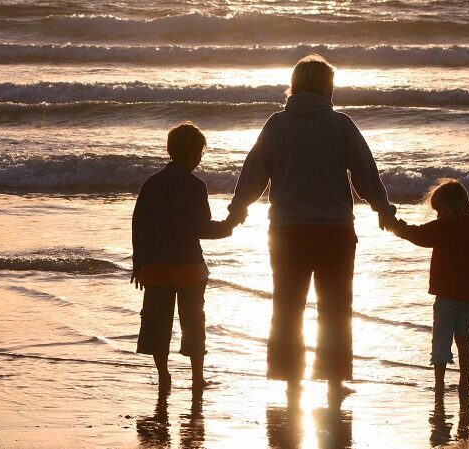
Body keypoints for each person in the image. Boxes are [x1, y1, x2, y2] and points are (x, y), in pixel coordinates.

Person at [226, 54, 396, 396]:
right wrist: (383, 209)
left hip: (287, 231)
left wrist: (238, 208)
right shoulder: (341, 125)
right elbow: (365, 173)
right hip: (334, 231)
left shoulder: (277, 124)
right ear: (327, 88)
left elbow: (254, 171)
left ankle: (290, 379)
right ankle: (334, 380)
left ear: (296, 85)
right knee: (335, 307)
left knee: (287, 305)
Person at [131, 122, 236, 390]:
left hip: (154, 265)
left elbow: (138, 224)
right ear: (192, 154)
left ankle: (164, 375)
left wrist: (138, 263)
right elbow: (202, 228)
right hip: (187, 264)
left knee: (157, 322)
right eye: (200, 153)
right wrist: (230, 225)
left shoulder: (151, 183)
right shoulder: (195, 186)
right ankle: (197, 377)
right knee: (193, 322)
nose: (200, 158)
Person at [387, 179, 469, 395]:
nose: (437, 215)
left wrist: (393, 225)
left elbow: (417, 234)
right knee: (463, 338)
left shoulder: (446, 226)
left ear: (448, 207)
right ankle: (465, 381)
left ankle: (439, 383)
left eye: (439, 210)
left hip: (447, 294)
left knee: (442, 338)